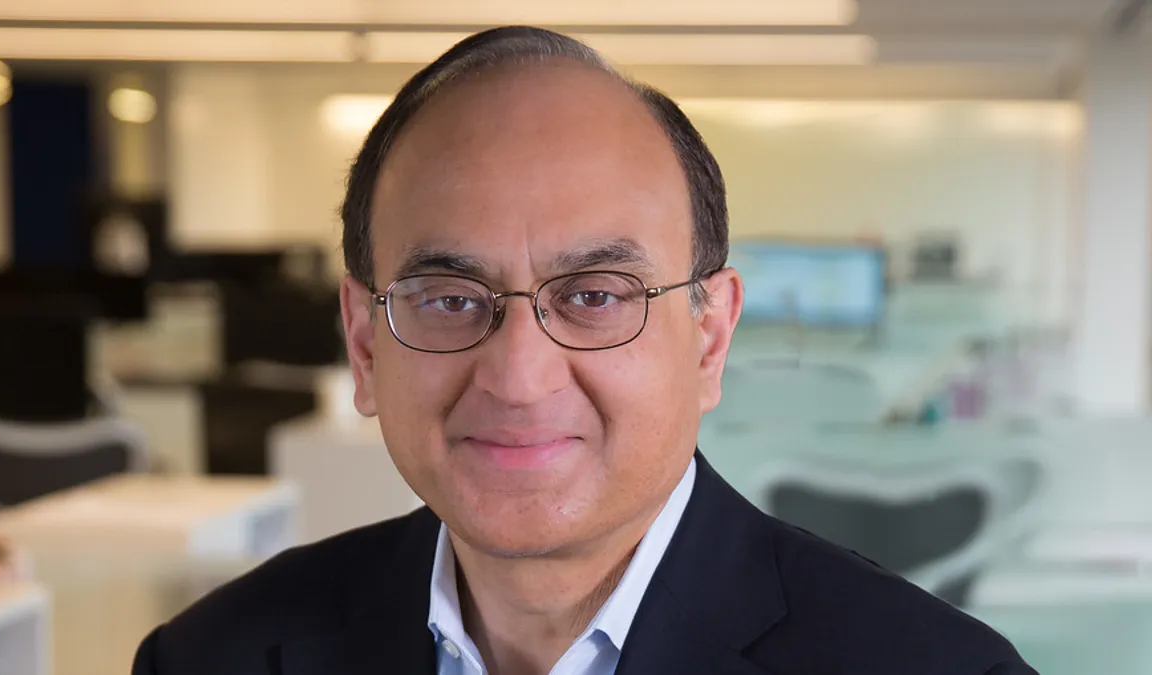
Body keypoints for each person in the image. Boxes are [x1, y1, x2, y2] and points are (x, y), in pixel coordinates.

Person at [133, 26, 1037, 675]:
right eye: (450, 298)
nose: (520, 378)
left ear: (710, 338)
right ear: (366, 346)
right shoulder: (212, 655)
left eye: (596, 296)